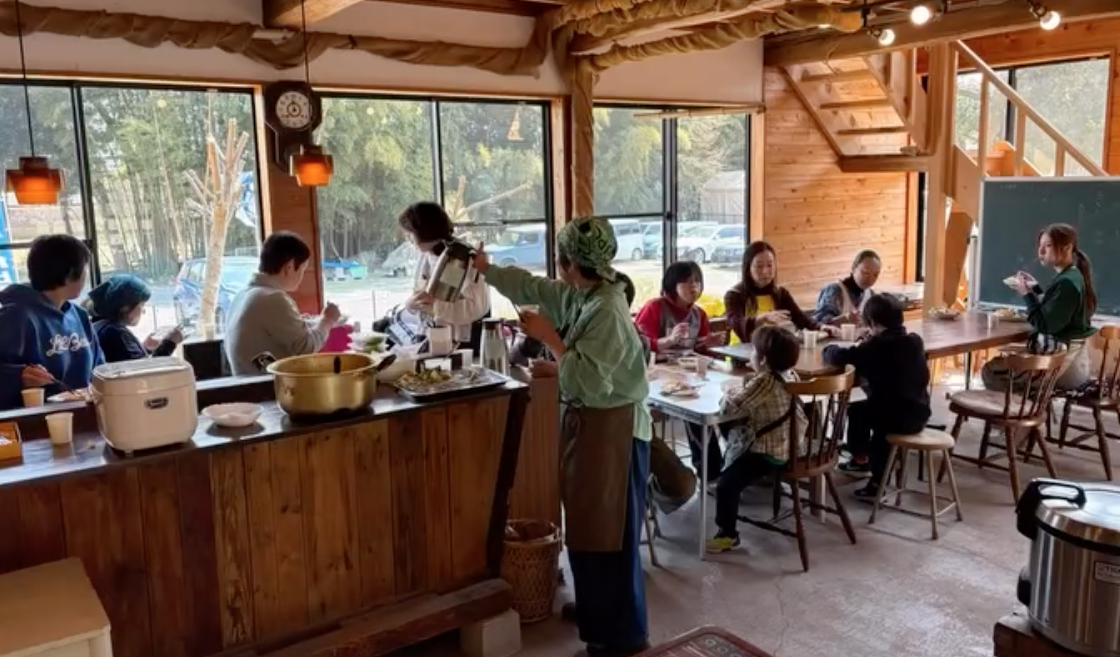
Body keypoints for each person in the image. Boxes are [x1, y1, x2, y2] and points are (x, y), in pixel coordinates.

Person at [472, 216, 650, 657]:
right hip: (595, 429)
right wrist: (486, 270)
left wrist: (550, 339)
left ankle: (622, 637)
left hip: (617, 434)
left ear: (569, 263)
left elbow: (588, 381)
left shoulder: (607, 311)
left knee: (612, 539)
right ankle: (594, 611)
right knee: (588, 532)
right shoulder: (584, 293)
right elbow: (532, 287)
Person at [708, 326, 805, 553]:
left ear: (762, 359)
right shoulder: (790, 375)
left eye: (753, 350)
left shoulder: (764, 381)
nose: (750, 354)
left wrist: (727, 392)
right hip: (789, 446)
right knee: (734, 442)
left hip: (766, 452)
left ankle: (727, 534)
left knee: (726, 485)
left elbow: (729, 409)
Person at [822, 294, 931, 497]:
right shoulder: (915, 341)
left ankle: (863, 462)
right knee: (871, 409)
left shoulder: (876, 347)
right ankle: (864, 459)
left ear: (872, 323)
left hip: (894, 418)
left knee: (858, 413)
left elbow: (838, 357)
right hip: (919, 412)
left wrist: (829, 348)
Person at [635, 261, 726, 482]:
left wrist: (709, 343)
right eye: (687, 282)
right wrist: (669, 340)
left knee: (722, 402)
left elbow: (699, 351)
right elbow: (639, 345)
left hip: (687, 375)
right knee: (696, 409)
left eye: (697, 282)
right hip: (656, 377)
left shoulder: (698, 314)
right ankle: (710, 471)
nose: (694, 286)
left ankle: (725, 466)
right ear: (672, 285)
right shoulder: (655, 307)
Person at [983, 223, 1096, 391]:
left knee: (991, 371)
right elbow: (1056, 309)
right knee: (1000, 364)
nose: (1041, 251)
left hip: (1064, 368)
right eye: (1040, 245)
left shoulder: (1067, 283)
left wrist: (1026, 295)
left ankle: (1026, 405)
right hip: (1071, 361)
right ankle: (1031, 402)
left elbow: (1045, 325)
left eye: (1048, 246)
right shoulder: (1071, 276)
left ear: (1067, 247)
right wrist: (1035, 288)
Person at [0, 234, 104, 409]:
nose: (85, 276)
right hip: (34, 420)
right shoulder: (15, 316)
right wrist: (18, 376)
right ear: (70, 274)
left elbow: (100, 368)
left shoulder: (79, 315)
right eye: (84, 269)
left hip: (85, 413)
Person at [225, 231, 342, 375]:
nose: (302, 277)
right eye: (302, 270)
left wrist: (309, 322)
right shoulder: (272, 298)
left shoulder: (243, 295)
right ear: (290, 267)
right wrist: (328, 320)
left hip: (248, 381)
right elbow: (306, 348)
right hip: (266, 385)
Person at [398, 202, 489, 349]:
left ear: (426, 231)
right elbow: (421, 295)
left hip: (461, 342)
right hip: (433, 335)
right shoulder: (427, 254)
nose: (408, 239)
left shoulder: (463, 257)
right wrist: (411, 305)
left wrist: (434, 305)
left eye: (410, 234)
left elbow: (477, 309)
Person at [724, 241, 834, 343]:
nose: (765, 271)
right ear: (748, 268)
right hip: (740, 352)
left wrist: (822, 327)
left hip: (771, 350)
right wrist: (762, 318)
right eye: (759, 266)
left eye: (770, 265)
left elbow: (801, 319)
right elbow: (737, 324)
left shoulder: (780, 293)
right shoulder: (734, 295)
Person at [86, 274, 184, 362]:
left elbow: (128, 361)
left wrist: (144, 348)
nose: (143, 311)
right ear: (125, 308)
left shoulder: (99, 326)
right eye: (141, 305)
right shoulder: (115, 333)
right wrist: (169, 343)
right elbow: (144, 372)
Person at [813, 250, 882, 325]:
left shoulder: (871, 295)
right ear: (854, 268)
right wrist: (845, 319)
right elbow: (819, 322)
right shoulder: (835, 291)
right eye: (865, 273)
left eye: (875, 275)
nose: (870, 279)